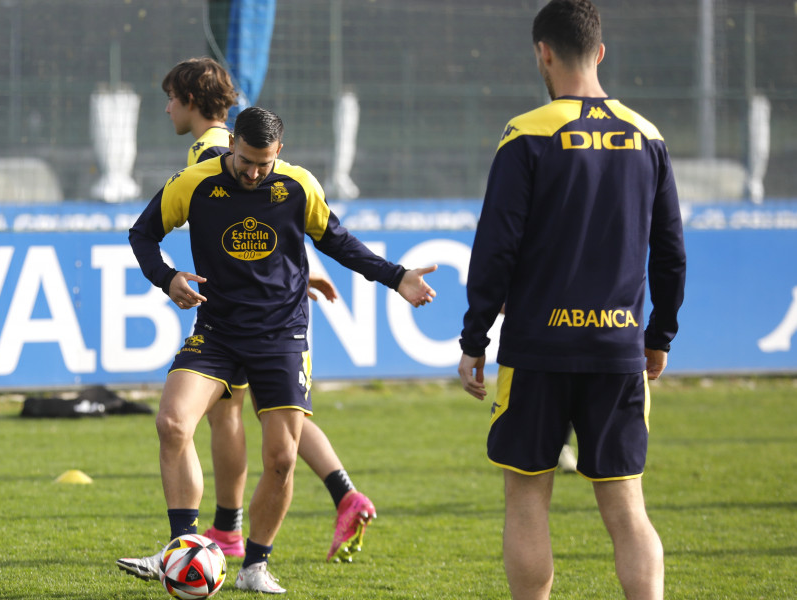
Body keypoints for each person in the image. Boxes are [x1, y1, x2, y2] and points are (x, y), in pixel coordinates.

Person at [118, 106, 437, 593]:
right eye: (244, 161)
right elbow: (142, 234)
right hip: (218, 330)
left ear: (279, 153)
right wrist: (167, 278)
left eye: (263, 164)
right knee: (172, 422)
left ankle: (254, 566)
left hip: (281, 335)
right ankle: (182, 549)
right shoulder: (195, 183)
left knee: (283, 459)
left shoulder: (297, 186)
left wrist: (397, 278)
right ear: (231, 147)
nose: (252, 172)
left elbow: (339, 242)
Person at [457, 1, 686, 599]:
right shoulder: (648, 136)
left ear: (544, 52)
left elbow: (495, 249)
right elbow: (670, 253)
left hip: (537, 349)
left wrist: (474, 339)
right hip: (618, 348)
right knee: (626, 503)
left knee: (527, 494)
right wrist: (658, 335)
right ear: (600, 52)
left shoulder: (527, 132)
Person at [159, 57, 380, 563]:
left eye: (171, 97)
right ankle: (339, 494)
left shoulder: (215, 151)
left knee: (233, 417)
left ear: (192, 101)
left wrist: (299, 269)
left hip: (256, 317)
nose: (167, 108)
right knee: (262, 418)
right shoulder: (218, 149)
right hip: (259, 307)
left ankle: (229, 532)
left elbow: (266, 213)